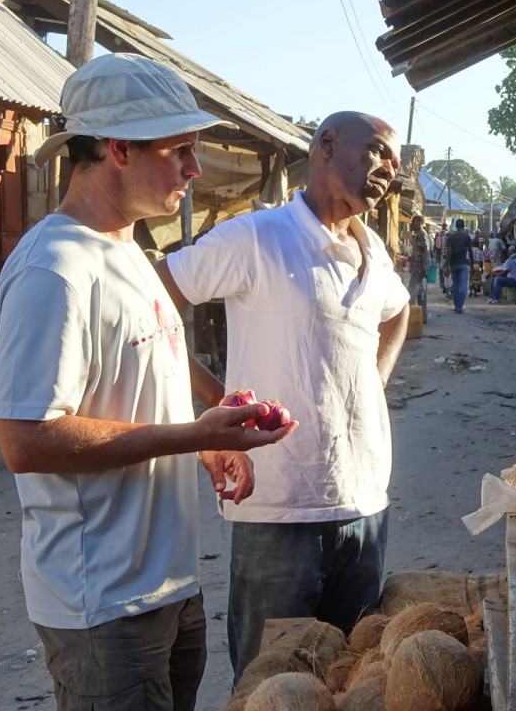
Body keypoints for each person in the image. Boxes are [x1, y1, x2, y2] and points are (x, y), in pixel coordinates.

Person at [0, 53, 295, 711]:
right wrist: (189, 434)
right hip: (100, 600)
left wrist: (209, 441)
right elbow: (25, 437)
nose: (196, 168)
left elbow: (142, 374)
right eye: (180, 149)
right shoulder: (55, 268)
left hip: (167, 581)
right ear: (121, 149)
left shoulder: (129, 248)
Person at [156, 111, 410, 685]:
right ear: (326, 145)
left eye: (394, 162)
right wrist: (217, 400)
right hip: (279, 509)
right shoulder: (257, 237)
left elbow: (396, 312)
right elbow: (153, 298)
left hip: (366, 502)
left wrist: (373, 378)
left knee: (349, 677)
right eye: (376, 152)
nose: (387, 170)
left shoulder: (373, 253)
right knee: (270, 684)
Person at [444, 218, 473, 314]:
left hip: (453, 264)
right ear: (464, 226)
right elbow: (470, 251)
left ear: (456, 226)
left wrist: (447, 265)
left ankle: (457, 306)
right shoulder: (467, 237)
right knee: (464, 286)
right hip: (464, 263)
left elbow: (448, 252)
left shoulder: (451, 238)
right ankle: (460, 306)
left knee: (455, 284)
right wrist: (472, 263)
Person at [407, 214, 431, 322]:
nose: (412, 224)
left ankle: (411, 316)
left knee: (412, 292)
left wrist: (424, 267)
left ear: (420, 223)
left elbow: (426, 250)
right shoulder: (418, 234)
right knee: (421, 293)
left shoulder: (422, 234)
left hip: (419, 269)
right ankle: (422, 317)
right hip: (418, 268)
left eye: (414, 222)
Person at [433, 222, 449, 293]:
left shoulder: (438, 234)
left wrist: (434, 253)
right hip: (446, 253)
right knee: (446, 268)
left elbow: (435, 244)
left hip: (439, 253)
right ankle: (446, 283)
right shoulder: (448, 234)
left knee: (440, 268)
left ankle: (442, 282)